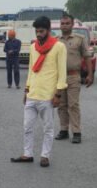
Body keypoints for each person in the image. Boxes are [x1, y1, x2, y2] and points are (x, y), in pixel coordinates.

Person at [10, 16, 67, 167]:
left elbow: (62, 73)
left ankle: (45, 156)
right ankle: (27, 154)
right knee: (27, 127)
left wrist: (58, 95)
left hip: (48, 96)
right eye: (37, 31)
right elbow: (31, 71)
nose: (39, 34)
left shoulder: (59, 47)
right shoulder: (33, 47)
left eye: (41, 31)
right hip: (32, 95)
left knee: (48, 128)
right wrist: (26, 91)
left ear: (48, 30)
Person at [55, 13, 93, 144]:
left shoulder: (80, 39)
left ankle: (76, 132)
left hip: (73, 76)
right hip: (59, 78)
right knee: (61, 105)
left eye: (67, 23)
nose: (64, 26)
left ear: (72, 25)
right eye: (62, 23)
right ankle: (63, 130)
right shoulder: (55, 41)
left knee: (73, 105)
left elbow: (87, 57)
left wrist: (90, 74)